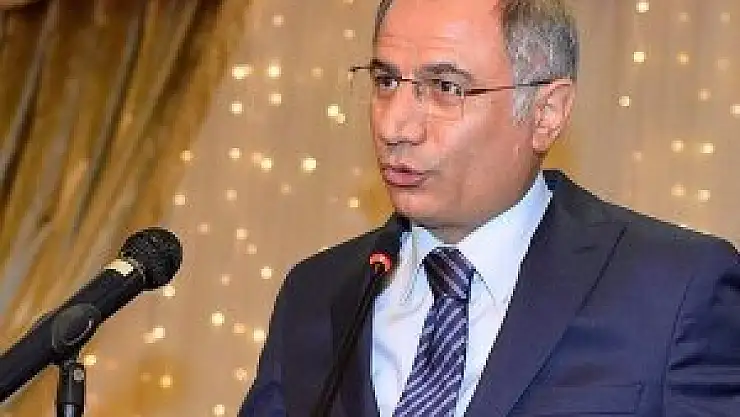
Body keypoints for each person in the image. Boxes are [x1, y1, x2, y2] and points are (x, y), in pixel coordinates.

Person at [239, 0, 740, 415]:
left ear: (546, 113)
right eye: (386, 81)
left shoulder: (676, 289)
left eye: (446, 88)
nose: (395, 127)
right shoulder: (316, 292)